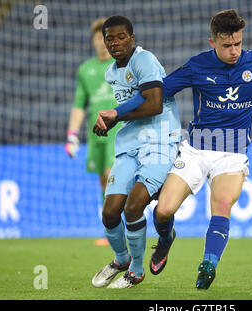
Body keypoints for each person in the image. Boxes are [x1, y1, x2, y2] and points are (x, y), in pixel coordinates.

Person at [149, 9, 252, 289]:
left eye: (238, 44)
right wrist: (124, 109)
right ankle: (165, 239)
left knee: (222, 204)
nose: (234, 51)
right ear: (213, 43)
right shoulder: (197, 66)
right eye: (227, 45)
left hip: (232, 153)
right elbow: (161, 91)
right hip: (196, 150)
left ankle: (208, 265)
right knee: (163, 211)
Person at [91, 15, 181, 289]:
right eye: (110, 38)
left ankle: (137, 272)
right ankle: (121, 260)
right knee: (109, 212)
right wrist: (108, 121)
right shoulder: (110, 72)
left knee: (133, 207)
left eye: (121, 37)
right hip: (129, 144)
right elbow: (131, 106)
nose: (115, 43)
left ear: (132, 37)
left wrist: (115, 116)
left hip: (158, 141)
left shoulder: (144, 60)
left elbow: (153, 105)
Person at [65, 18, 117, 246]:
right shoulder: (85, 70)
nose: (102, 42)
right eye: (99, 37)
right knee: (103, 182)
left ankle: (126, 227)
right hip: (96, 134)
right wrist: (72, 134)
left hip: (119, 132)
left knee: (113, 175)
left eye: (106, 38)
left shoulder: (121, 65)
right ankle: (111, 231)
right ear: (93, 40)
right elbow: (79, 104)